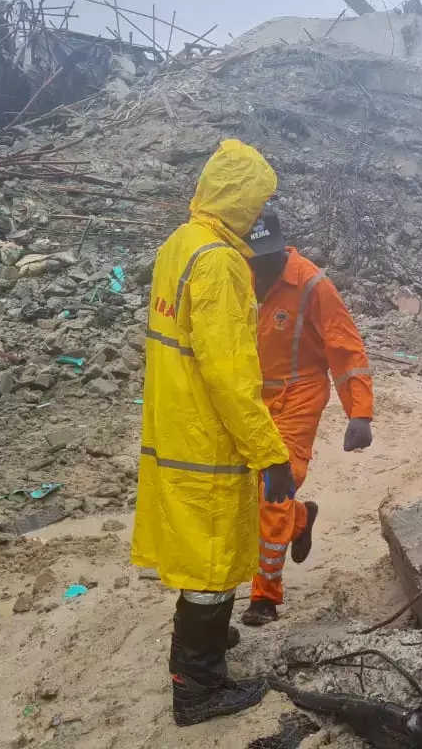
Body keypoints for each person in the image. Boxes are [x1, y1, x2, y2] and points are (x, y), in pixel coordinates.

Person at [131, 139, 296, 727]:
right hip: (209, 439)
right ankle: (198, 688)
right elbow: (229, 375)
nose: (259, 213)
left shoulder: (181, 243)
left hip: (176, 428)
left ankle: (209, 642)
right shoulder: (221, 263)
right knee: (213, 560)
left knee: (203, 550)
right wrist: (270, 453)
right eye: (258, 201)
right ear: (239, 198)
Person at [239, 203, 374, 627]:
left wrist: (360, 413)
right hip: (251, 399)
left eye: (267, 259)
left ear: (282, 248)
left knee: (273, 489)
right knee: (242, 488)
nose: (260, 267)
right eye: (253, 259)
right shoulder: (238, 276)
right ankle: (300, 519)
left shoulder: (313, 285)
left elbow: (346, 349)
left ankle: (265, 595)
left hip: (299, 397)